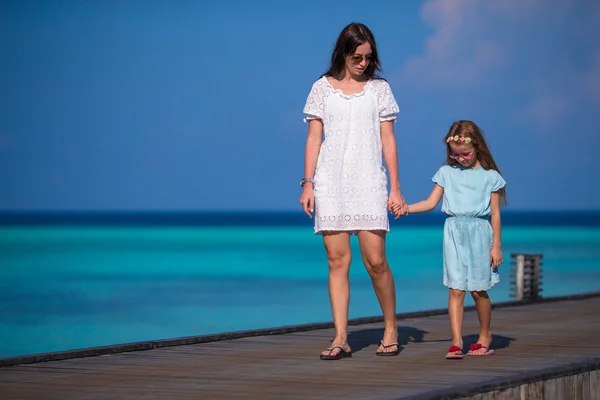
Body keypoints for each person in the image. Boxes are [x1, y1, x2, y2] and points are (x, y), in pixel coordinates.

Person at [299, 22, 407, 361]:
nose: (363, 63)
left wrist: (396, 188)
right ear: (343, 53)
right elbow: (314, 138)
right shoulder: (321, 88)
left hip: (369, 181)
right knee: (336, 260)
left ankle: (391, 327)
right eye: (357, 57)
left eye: (368, 57)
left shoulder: (379, 89)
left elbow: (388, 140)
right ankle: (341, 336)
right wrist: (308, 183)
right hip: (330, 181)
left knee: (375, 260)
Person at [399, 120, 507, 359]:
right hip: (453, 232)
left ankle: (484, 336)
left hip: (480, 233)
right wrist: (406, 208)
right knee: (456, 289)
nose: (461, 158)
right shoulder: (446, 173)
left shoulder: (491, 177)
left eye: (465, 154)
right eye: (455, 155)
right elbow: (430, 203)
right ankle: (457, 341)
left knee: (479, 290)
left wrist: (496, 246)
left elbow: (495, 214)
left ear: (477, 146)